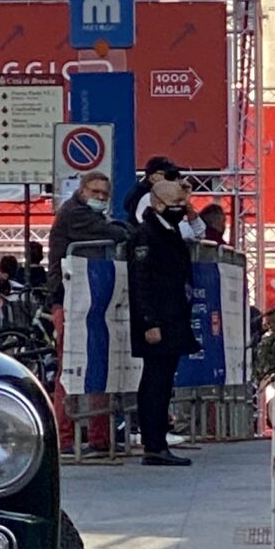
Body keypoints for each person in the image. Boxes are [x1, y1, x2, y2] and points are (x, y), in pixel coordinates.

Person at [128, 168, 199, 466]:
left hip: (173, 316)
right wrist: (149, 322)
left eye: (182, 204)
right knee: (155, 382)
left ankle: (157, 441)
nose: (180, 209)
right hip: (158, 319)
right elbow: (141, 281)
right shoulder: (147, 235)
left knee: (163, 381)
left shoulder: (169, 230)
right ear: (157, 204)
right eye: (174, 204)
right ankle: (154, 444)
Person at [48, 172, 114, 300]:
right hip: (68, 284)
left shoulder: (88, 211)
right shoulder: (75, 212)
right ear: (82, 191)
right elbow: (108, 231)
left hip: (81, 279)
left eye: (105, 194)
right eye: (95, 191)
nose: (100, 197)